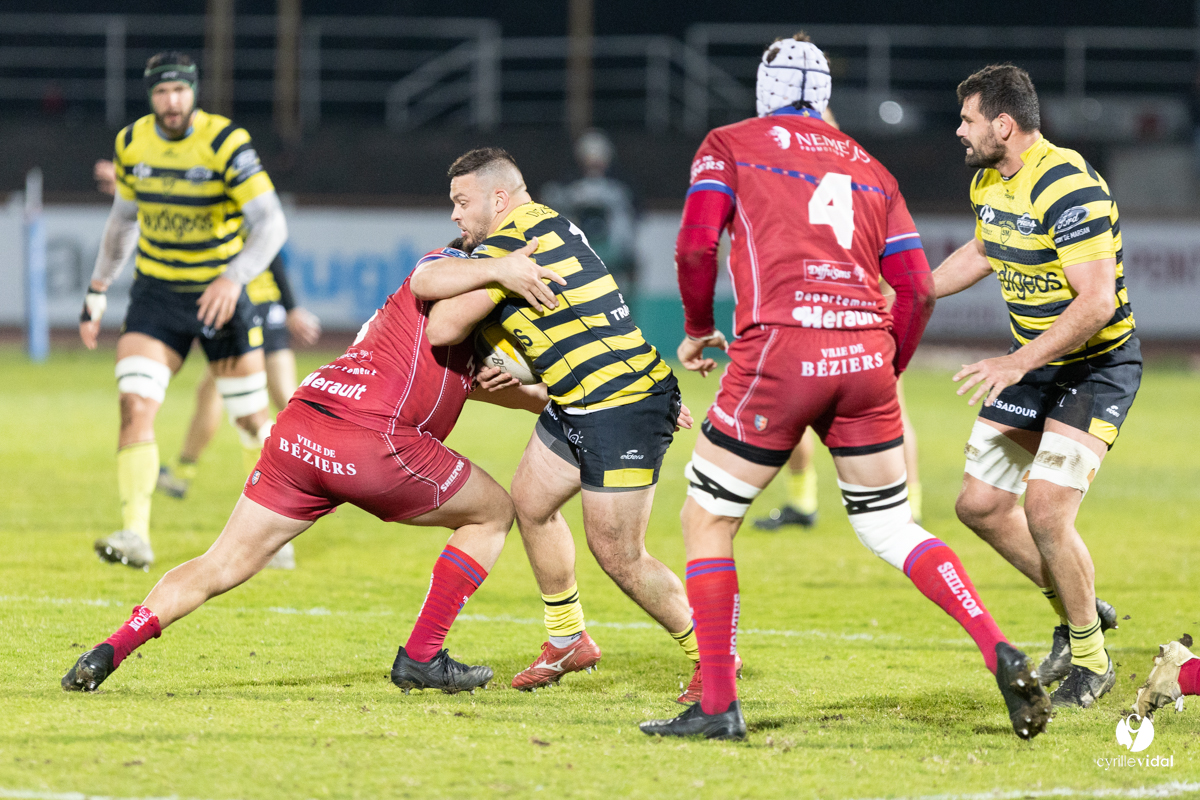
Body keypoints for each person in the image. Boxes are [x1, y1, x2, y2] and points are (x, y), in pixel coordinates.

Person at [640, 33, 1051, 741]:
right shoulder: (871, 167)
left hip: (779, 348)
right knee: (890, 525)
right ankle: (998, 647)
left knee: (707, 519)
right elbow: (918, 290)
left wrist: (697, 327)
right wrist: (887, 371)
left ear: (764, 90)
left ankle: (717, 705)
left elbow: (695, 244)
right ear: (825, 95)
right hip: (863, 356)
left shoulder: (730, 143)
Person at [62, 243, 560, 695]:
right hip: (370, 440)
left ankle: (109, 649)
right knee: (492, 512)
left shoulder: (419, 328)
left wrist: (545, 390)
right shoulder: (447, 272)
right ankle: (422, 655)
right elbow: (435, 280)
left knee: (220, 563)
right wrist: (505, 271)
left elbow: (514, 394)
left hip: (302, 428)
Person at [410, 148, 712, 699]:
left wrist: (486, 276)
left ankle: (712, 662)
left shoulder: (513, 240)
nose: (454, 214)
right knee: (531, 502)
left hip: (619, 405)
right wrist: (513, 362)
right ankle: (567, 639)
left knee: (620, 556)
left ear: (498, 198)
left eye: (462, 202)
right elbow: (570, 325)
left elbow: (441, 324)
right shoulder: (544, 223)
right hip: (583, 397)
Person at [932, 64, 1136, 708]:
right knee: (979, 506)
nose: (958, 130)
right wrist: (912, 293)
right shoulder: (990, 180)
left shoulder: (1067, 185)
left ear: (1003, 124)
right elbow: (983, 250)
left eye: (967, 119)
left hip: (1095, 366)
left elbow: (1096, 302)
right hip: (1036, 364)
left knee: (1046, 510)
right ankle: (1081, 610)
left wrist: (1017, 361)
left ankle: (1091, 660)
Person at [80, 52, 287, 571]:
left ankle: (274, 533)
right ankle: (135, 535)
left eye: (179, 90)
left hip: (221, 296)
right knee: (134, 403)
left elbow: (270, 223)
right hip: (157, 296)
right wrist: (98, 287)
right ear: (150, 96)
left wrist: (233, 278)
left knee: (251, 419)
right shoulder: (132, 142)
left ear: (194, 92)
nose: (171, 101)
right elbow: (122, 220)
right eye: (161, 92)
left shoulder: (225, 143)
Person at [541, 129, 638, 290]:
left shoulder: (617, 191)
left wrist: (625, 254)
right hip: (580, 256)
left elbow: (624, 229)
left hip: (611, 258)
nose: (594, 163)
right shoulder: (570, 190)